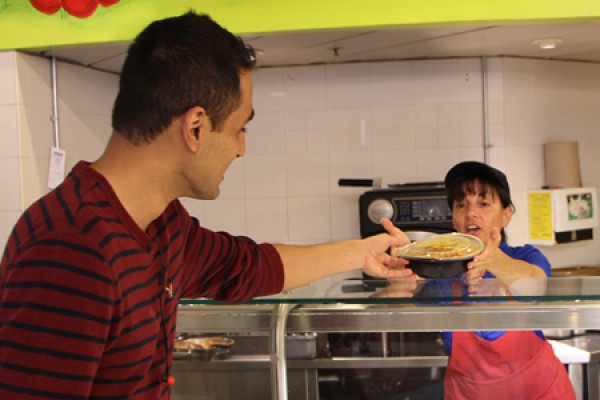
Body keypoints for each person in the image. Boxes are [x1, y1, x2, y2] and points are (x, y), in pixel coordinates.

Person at [0, 12, 414, 399]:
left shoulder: (161, 224)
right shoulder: (72, 247)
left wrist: (362, 251)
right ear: (195, 127)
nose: (241, 149)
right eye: (239, 129)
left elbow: (249, 267)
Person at [441, 161, 575, 400]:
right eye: (461, 204)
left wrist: (493, 260)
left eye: (483, 203)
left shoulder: (525, 256)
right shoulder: (442, 269)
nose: (470, 213)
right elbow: (403, 300)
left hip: (539, 392)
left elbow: (537, 286)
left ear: (506, 215)